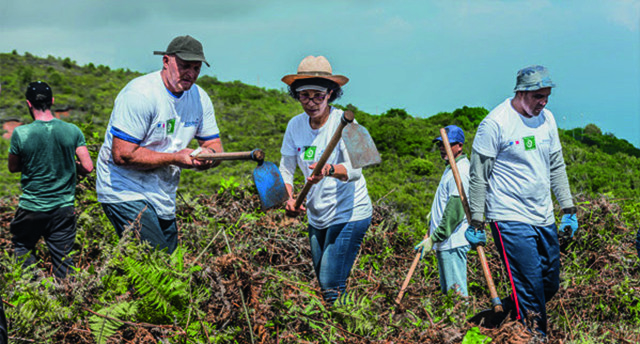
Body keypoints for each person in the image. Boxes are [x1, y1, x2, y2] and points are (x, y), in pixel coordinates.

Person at [466, 65, 578, 336]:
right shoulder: (495, 123)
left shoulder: (547, 119)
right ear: (521, 92)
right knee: (528, 287)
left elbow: (556, 166)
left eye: (547, 96)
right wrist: (478, 222)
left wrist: (568, 208)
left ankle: (491, 323)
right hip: (509, 217)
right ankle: (535, 338)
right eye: (538, 96)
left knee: (548, 284)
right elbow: (478, 176)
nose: (543, 102)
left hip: (543, 215)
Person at [96, 35, 222, 254]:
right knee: (157, 262)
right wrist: (176, 158)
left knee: (170, 265)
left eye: (196, 68)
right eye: (184, 66)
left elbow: (214, 143)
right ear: (166, 61)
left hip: (162, 194)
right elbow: (122, 154)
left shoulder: (200, 98)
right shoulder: (140, 94)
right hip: (124, 190)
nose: (190, 74)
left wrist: (209, 156)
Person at [279, 56, 373, 305]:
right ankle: (343, 321)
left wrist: (329, 170)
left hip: (349, 212)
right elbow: (286, 167)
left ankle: (344, 330)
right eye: (304, 95)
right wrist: (288, 197)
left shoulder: (348, 124)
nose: (311, 103)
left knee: (331, 282)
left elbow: (357, 170)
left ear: (330, 93)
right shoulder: (294, 126)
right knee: (324, 281)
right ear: (296, 95)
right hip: (317, 213)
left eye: (317, 95)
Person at [8, 81, 94, 279]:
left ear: (29, 104)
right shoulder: (73, 130)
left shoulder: (21, 133)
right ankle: (69, 298)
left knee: (23, 247)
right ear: (52, 101)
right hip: (63, 208)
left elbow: (13, 167)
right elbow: (88, 167)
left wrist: (33, 163)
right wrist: (68, 164)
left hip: (32, 208)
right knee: (63, 258)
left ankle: (36, 293)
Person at [414, 125, 471, 297]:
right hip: (446, 242)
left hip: (452, 241)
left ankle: (462, 323)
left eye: (447, 144)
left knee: (456, 295)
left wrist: (435, 238)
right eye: (440, 145)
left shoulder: (461, 169)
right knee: (449, 294)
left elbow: (456, 210)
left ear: (459, 146)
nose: (442, 149)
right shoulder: (450, 168)